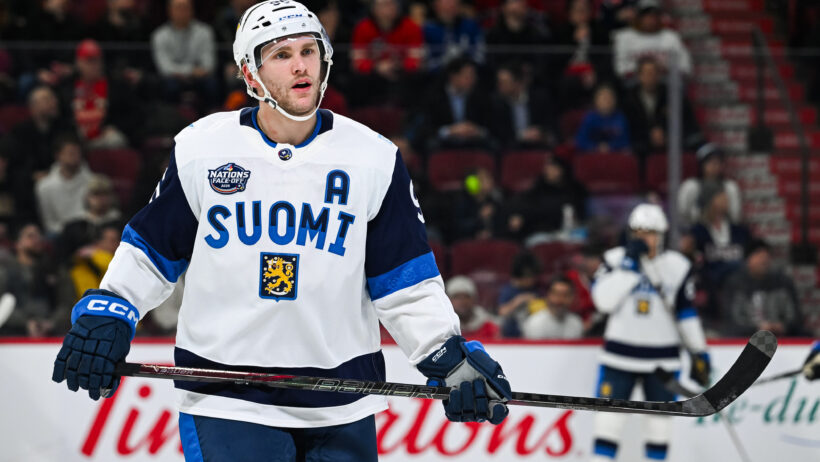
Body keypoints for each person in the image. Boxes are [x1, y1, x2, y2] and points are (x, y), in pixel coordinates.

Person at [51, 2, 511, 460]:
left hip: (342, 399)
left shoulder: (374, 157)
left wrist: (446, 353)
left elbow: (404, 281)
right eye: (281, 54)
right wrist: (112, 308)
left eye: (309, 51)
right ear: (250, 74)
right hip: (228, 396)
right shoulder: (202, 148)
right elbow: (152, 249)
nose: (300, 65)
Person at [590, 203, 710, 462]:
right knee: (608, 422)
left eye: (650, 232)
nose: (644, 238)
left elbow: (686, 314)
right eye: (639, 231)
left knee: (659, 426)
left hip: (662, 360)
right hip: (618, 357)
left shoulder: (677, 266)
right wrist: (629, 267)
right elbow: (603, 301)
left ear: (662, 235)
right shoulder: (614, 260)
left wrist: (699, 352)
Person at [721, 239, 802, 337]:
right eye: (759, 257)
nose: (764, 260)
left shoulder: (783, 282)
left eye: (766, 257)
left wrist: (782, 326)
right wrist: (756, 328)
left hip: (781, 338)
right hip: (744, 339)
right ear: (748, 259)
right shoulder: (735, 283)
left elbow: (795, 317)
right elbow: (732, 319)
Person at [150, 0, 218, 106]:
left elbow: (209, 65)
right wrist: (191, 71)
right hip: (174, 79)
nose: (182, 11)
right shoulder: (160, 35)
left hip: (199, 79)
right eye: (178, 8)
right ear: (170, 11)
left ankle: (211, 117)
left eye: (185, 8)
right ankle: (172, 118)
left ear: (192, 10)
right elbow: (165, 68)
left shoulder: (204, 32)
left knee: (212, 85)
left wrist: (190, 72)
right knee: (169, 86)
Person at [612, 0, 691, 79]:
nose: (651, 20)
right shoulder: (625, 37)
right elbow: (620, 69)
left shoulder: (671, 37)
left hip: (665, 82)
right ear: (639, 17)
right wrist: (645, 71)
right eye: (647, 16)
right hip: (634, 84)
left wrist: (664, 70)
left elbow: (685, 67)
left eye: (654, 16)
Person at [35, 134, 93, 235]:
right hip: (58, 234)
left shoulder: (92, 181)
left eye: (78, 153)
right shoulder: (44, 186)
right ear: (58, 156)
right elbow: (48, 221)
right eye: (71, 153)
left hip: (87, 231)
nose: (76, 157)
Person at [677, 143, 742, 228]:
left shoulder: (730, 187)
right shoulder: (690, 186)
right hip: (696, 231)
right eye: (711, 162)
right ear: (701, 164)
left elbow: (735, 217)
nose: (715, 166)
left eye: (719, 162)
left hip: (723, 230)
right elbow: (681, 214)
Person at [520, 275, 584, 339]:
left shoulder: (577, 323)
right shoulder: (534, 323)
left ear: (572, 297)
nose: (560, 300)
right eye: (556, 294)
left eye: (565, 295)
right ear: (548, 295)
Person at [575, 84, 631, 152]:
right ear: (596, 101)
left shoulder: (621, 117)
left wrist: (610, 147)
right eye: (604, 98)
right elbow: (580, 140)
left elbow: (625, 141)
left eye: (610, 98)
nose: (607, 101)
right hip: (593, 154)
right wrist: (596, 147)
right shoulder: (590, 117)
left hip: (615, 154)